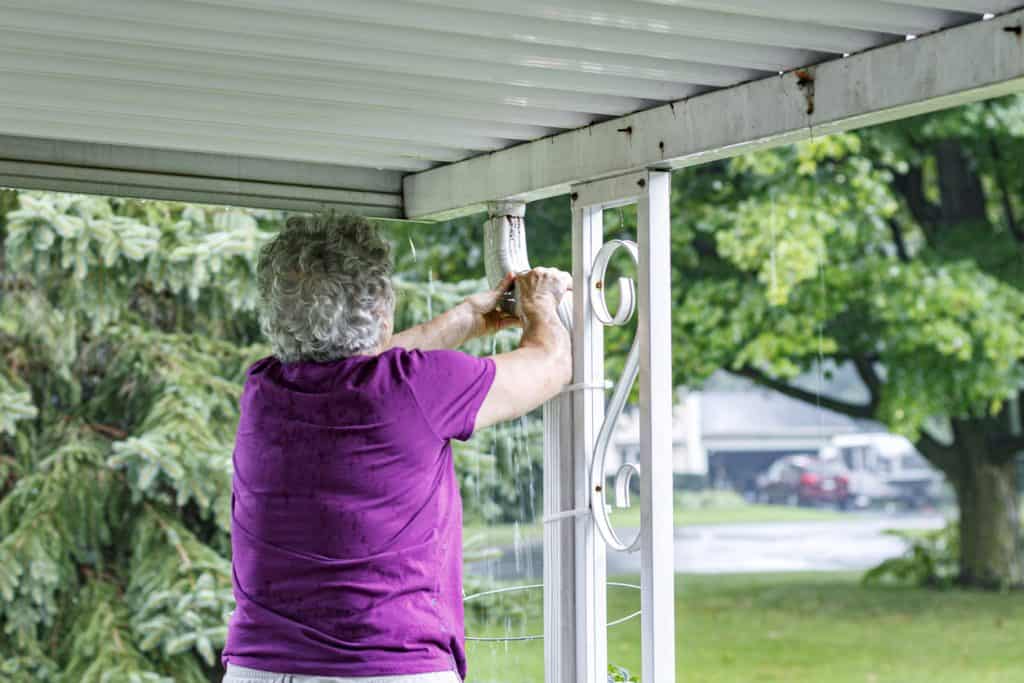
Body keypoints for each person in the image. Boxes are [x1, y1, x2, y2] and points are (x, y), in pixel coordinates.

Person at [220, 212, 572, 683]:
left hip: (258, 669)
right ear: (382, 309)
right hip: (384, 667)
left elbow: (357, 362)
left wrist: (466, 319)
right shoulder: (418, 387)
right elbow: (550, 365)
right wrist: (542, 301)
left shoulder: (264, 391)